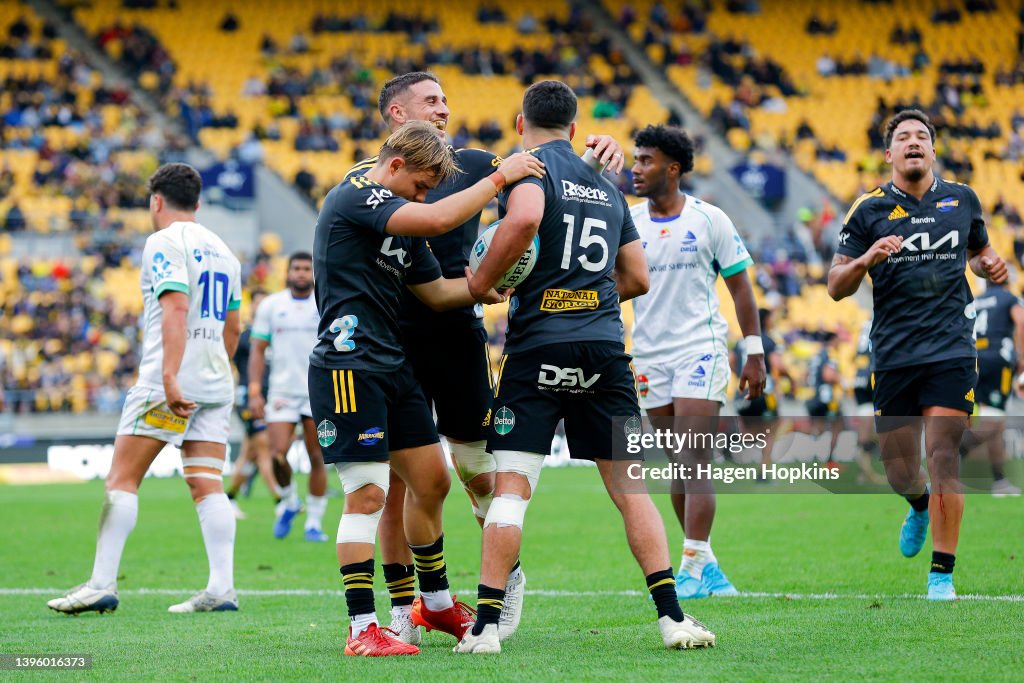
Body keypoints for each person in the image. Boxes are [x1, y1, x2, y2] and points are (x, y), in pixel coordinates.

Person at [347, 71, 626, 644]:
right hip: (390, 342)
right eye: (431, 101)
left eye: (447, 99)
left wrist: (600, 152)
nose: (444, 109)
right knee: (401, 483)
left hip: (456, 335)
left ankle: (506, 573)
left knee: (478, 472)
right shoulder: (361, 182)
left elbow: (552, 183)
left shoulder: (479, 163)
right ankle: (407, 607)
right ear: (397, 114)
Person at [457, 81, 715, 654]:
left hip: (537, 349)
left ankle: (486, 627)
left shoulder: (527, 170)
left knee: (512, 488)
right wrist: (588, 297)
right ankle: (672, 619)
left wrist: (482, 284)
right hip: (602, 348)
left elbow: (521, 225)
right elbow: (638, 278)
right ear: (575, 129)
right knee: (630, 488)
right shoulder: (606, 181)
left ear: (520, 123)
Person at [310, 120, 543, 656]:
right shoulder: (356, 194)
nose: (424, 195)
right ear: (394, 166)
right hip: (349, 365)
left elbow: (439, 293)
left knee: (432, 481)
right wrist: (499, 177)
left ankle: (434, 607)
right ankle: (362, 629)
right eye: (420, 185)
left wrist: (489, 285)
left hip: (393, 365)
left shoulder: (404, 228)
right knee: (369, 493)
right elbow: (440, 215)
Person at [827, 108, 1007, 600]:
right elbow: (835, 287)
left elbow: (978, 252)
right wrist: (866, 259)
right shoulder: (866, 210)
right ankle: (919, 504)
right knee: (900, 469)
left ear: (932, 150)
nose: (913, 142)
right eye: (903, 137)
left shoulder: (962, 199)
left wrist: (989, 264)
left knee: (943, 455)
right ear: (889, 154)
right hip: (893, 353)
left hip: (951, 347)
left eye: (921, 136)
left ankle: (941, 575)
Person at [48, 163, 243, 614]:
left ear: (156, 201)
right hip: (216, 381)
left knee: (122, 479)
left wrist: (173, 376)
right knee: (206, 484)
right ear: (197, 203)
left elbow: (174, 307)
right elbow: (234, 326)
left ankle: (100, 583)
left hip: (166, 381)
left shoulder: (163, 241)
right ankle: (221, 588)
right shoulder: (224, 251)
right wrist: (214, 370)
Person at [627, 124, 766, 599]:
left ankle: (688, 566)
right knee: (677, 465)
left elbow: (741, 289)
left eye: (645, 160)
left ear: (673, 167)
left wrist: (755, 352)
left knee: (693, 459)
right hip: (649, 354)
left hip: (699, 350)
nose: (636, 167)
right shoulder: (629, 223)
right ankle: (704, 564)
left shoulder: (710, 220)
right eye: (635, 158)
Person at [248, 252, 330, 541]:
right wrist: (255, 390)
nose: (301, 273)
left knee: (317, 456)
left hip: (317, 391)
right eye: (296, 268)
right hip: (282, 391)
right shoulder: (271, 305)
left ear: (313, 272)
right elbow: (257, 350)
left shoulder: (324, 302)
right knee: (276, 454)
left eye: (307, 269)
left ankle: (314, 523)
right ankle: (290, 500)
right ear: (287, 272)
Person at [961, 277, 1023, 496]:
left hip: (976, 359)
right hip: (998, 360)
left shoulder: (977, 301)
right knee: (995, 422)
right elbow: (1022, 321)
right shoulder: (1008, 297)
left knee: (993, 419)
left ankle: (1000, 481)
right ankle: (953, 453)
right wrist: (1022, 356)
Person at [226, 289, 278, 519]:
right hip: (248, 398)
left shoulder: (274, 334)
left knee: (249, 453)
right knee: (264, 446)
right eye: (258, 303)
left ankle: (229, 498)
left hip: (269, 397)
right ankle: (282, 500)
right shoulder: (245, 336)